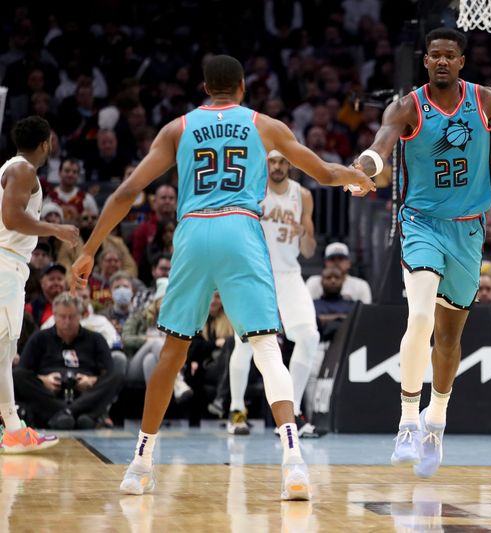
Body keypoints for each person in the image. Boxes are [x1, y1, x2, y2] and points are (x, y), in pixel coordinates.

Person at [71, 55, 373, 500]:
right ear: (244, 87)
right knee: (268, 348)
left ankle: (139, 464)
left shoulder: (177, 128)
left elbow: (127, 192)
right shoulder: (264, 124)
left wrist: (90, 249)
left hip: (194, 232)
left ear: (205, 87)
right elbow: (326, 173)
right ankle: (293, 462)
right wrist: (357, 179)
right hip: (241, 230)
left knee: (173, 351)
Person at [348, 28, 491, 477]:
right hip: (420, 222)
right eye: (435, 55)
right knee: (419, 316)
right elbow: (379, 148)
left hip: (468, 231)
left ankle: (435, 423)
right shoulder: (407, 106)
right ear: (425, 61)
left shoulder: (486, 100)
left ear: (461, 61)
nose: (442, 61)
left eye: (450, 56)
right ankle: (406, 421)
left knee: (448, 337)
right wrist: (362, 169)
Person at [225, 150, 322, 437]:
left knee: (309, 336)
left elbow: (309, 250)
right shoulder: (253, 190)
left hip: (289, 274)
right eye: (272, 162)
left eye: (282, 161)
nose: (277, 166)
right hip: (254, 274)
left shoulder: (302, 195)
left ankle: (291, 413)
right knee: (245, 345)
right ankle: (236, 410)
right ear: (264, 163)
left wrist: (303, 233)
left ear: (290, 164)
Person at [0, 116, 79, 452]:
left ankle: (15, 429)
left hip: (10, 265)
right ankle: (15, 429)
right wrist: (56, 229)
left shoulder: (13, 168)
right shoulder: (22, 170)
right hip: (4, 265)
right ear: (46, 142)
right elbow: (12, 217)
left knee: (4, 353)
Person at [13, 293, 124, 429]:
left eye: (71, 317)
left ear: (81, 316)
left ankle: (66, 413)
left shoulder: (96, 339)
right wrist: (43, 380)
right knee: (16, 375)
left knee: (118, 375)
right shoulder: (39, 338)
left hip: (85, 393)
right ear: (54, 315)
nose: (67, 322)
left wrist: (91, 381)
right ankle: (80, 414)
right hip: (49, 395)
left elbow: (109, 372)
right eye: (62, 317)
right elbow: (23, 371)